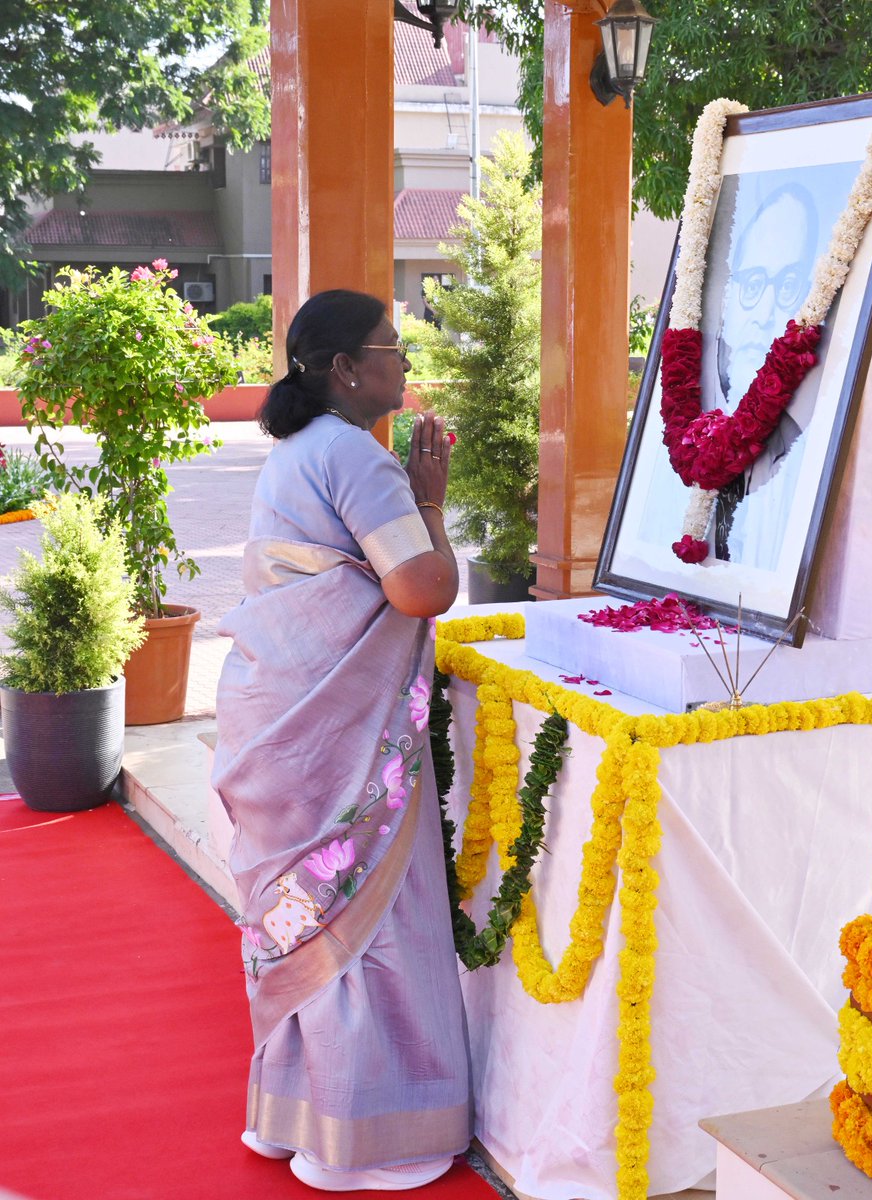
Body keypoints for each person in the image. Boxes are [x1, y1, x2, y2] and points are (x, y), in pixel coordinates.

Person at [211, 289, 471, 1192]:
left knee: (298, 916)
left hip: (280, 719)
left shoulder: (298, 452)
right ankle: (365, 1137)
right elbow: (421, 591)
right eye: (390, 345)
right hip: (334, 740)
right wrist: (432, 503)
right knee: (365, 920)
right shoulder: (357, 459)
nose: (403, 359)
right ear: (343, 369)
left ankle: (291, 1116)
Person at [709, 181, 820, 568]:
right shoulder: (694, 426)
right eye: (754, 284)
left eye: (788, 285)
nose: (767, 309)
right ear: (729, 300)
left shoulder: (808, 451)